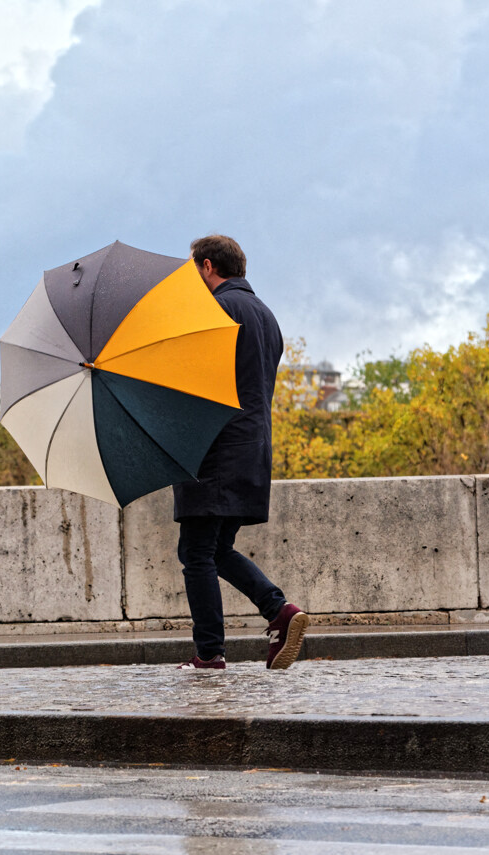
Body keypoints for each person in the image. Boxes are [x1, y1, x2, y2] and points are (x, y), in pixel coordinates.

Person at [173, 235, 309, 671]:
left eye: (193, 270)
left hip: (214, 449)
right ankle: (279, 611)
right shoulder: (266, 315)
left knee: (196, 553)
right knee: (215, 549)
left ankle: (210, 653)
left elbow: (195, 381)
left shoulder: (217, 309)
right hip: (252, 447)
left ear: (207, 266)